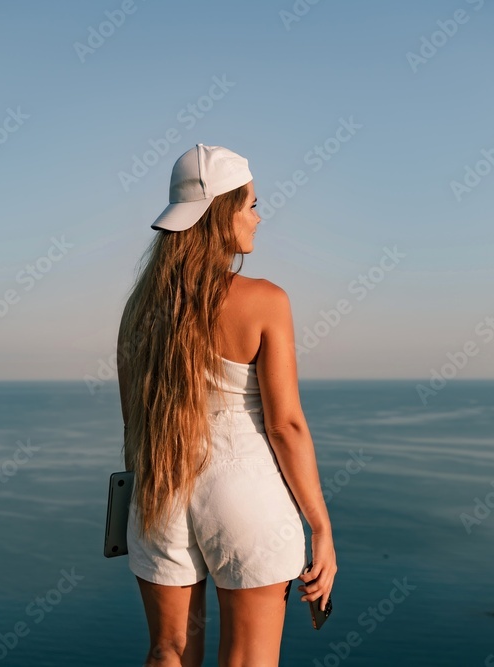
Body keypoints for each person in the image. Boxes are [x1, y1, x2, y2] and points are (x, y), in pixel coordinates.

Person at [116, 143, 336, 666]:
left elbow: (134, 424)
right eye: (251, 205)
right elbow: (285, 426)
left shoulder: (138, 310)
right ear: (221, 214)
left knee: (168, 651)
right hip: (245, 495)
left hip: (160, 489)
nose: (258, 218)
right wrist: (321, 527)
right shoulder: (265, 300)